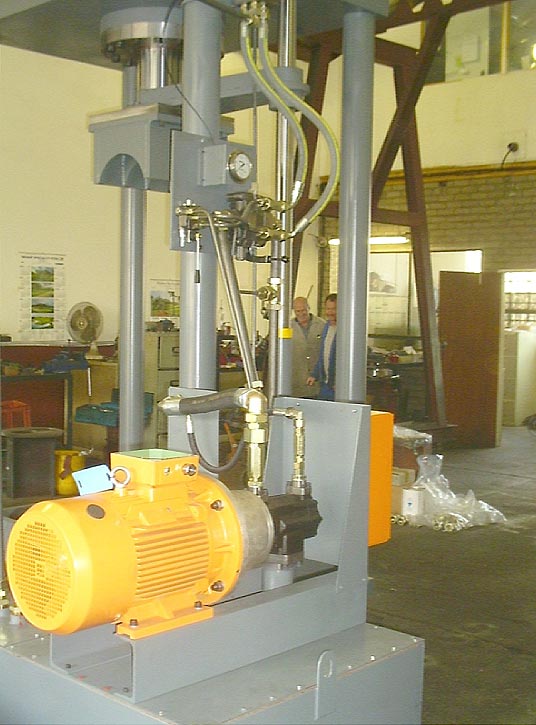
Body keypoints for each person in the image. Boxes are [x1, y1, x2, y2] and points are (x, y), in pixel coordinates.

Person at [291, 297, 325, 398]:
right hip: (296, 382)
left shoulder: (322, 325)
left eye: (303, 310)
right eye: (297, 311)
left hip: (318, 382)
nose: (301, 314)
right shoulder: (287, 327)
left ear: (309, 308)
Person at [307, 293, 337, 401]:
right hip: (325, 384)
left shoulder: (346, 330)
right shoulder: (326, 327)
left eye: (334, 309)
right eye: (328, 309)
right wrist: (314, 375)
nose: (330, 312)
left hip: (338, 386)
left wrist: (340, 382)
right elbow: (323, 355)